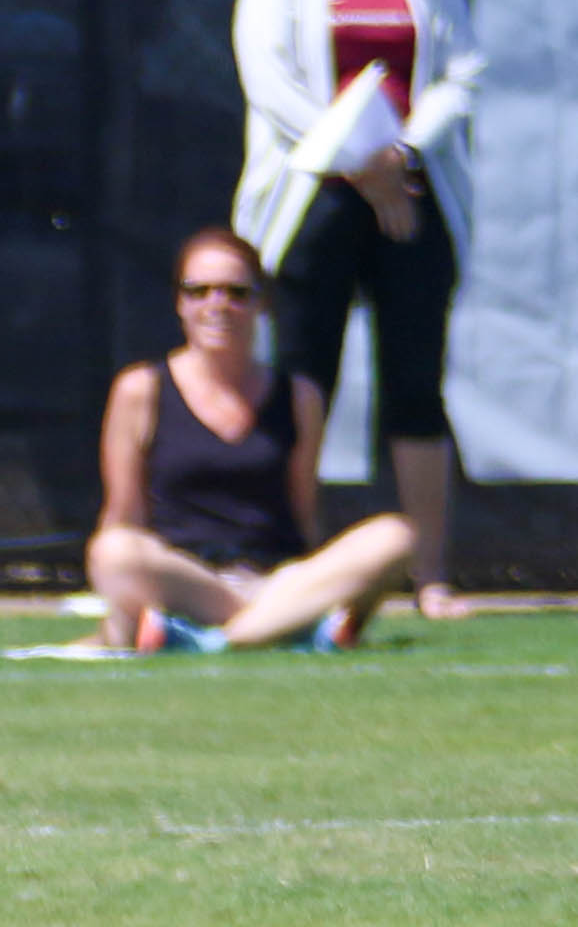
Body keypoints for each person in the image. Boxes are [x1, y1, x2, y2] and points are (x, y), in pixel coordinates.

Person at [234, 0, 479, 623]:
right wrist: (356, 161)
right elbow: (270, 81)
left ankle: (431, 575)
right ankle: (299, 565)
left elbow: (461, 75)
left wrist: (399, 157)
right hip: (314, 206)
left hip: (412, 199)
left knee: (417, 383)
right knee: (306, 383)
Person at [88, 229, 416, 654]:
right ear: (179, 303)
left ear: (261, 303)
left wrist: (317, 580)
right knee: (112, 551)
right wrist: (121, 598)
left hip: (277, 579)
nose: (217, 305)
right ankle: (285, 627)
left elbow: (303, 517)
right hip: (186, 581)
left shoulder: (299, 396)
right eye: (198, 291)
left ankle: (221, 641)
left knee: (397, 535)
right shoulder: (141, 388)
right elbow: (122, 516)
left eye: (236, 292)